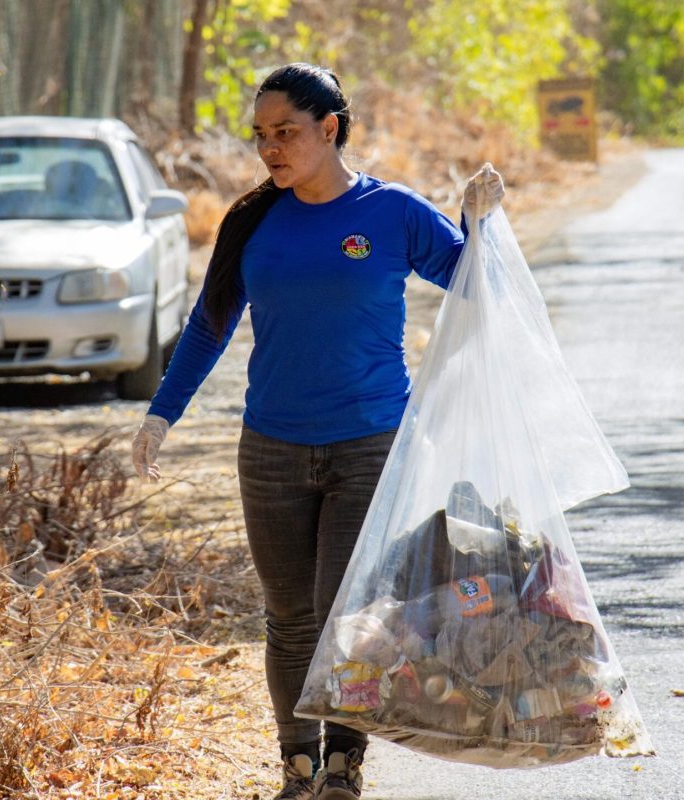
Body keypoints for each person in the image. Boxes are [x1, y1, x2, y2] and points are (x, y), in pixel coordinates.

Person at [131, 63, 504, 800]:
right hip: (270, 448)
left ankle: (344, 765)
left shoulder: (392, 213)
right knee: (290, 617)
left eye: (286, 133)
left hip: (371, 443)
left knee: (349, 610)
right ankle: (296, 764)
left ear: (329, 128)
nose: (271, 149)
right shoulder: (252, 223)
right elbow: (209, 328)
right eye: (262, 137)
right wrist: (159, 413)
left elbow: (473, 282)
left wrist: (481, 225)